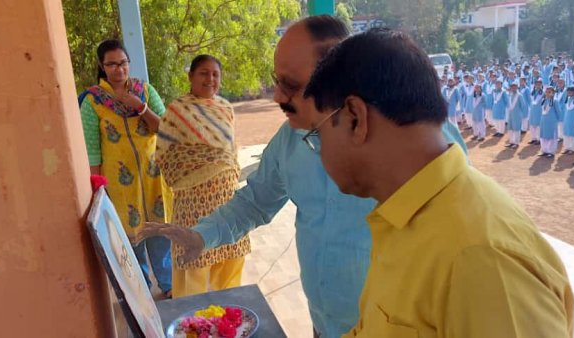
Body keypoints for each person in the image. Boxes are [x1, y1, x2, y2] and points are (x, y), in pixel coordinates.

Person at [139, 16, 467, 338]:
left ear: (340, 76)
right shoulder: (290, 139)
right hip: (324, 322)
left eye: (291, 85)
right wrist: (201, 235)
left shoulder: (418, 140)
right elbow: (254, 203)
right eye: (277, 81)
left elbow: (456, 246)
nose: (277, 97)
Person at [302, 28, 574, 338]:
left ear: (355, 118)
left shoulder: (481, 258)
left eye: (318, 134)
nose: (318, 152)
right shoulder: (404, 216)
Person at [78, 39, 173, 297]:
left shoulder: (145, 90)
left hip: (154, 176)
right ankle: (141, 292)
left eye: (123, 63)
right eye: (112, 64)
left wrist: (139, 106)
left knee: (160, 233)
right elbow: (93, 149)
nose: (119, 69)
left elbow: (165, 129)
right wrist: (98, 188)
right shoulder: (93, 101)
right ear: (102, 66)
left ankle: (169, 286)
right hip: (120, 185)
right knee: (131, 242)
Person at [154, 55, 250, 297]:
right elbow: (165, 155)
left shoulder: (226, 109)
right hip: (193, 202)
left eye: (215, 74)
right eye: (203, 73)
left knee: (230, 258)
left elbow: (231, 151)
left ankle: (229, 319)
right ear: (191, 77)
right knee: (195, 262)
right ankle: (192, 325)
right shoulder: (176, 112)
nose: (210, 79)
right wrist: (195, 170)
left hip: (228, 199)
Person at [539, 87, 562, 158]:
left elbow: (558, 112)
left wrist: (558, 121)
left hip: (552, 121)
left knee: (551, 136)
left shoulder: (555, 101)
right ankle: (544, 150)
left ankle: (551, 151)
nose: (547, 93)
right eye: (546, 92)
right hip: (544, 120)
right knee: (544, 136)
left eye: (549, 92)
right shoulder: (543, 100)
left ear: (553, 93)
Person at [505, 83, 528, 148]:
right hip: (511, 114)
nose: (513, 88)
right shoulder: (510, 95)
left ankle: (516, 143)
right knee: (510, 128)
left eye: (514, 87)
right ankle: (511, 142)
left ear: (517, 87)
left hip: (517, 114)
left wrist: (522, 114)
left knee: (516, 129)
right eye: (512, 87)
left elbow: (523, 106)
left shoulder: (520, 95)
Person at [561, 87, 574, 155]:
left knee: (573, 134)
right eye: (568, 91)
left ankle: (573, 148)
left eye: (571, 91)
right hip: (567, 118)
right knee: (567, 133)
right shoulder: (567, 99)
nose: (569, 93)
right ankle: (567, 147)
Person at [528, 80, 545, 145]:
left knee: (538, 126)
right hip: (532, 110)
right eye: (536, 84)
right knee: (532, 125)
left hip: (539, 110)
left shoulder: (543, 93)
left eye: (539, 84)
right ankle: (533, 138)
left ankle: (539, 139)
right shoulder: (532, 92)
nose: (538, 85)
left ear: (541, 85)